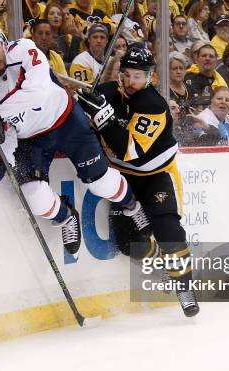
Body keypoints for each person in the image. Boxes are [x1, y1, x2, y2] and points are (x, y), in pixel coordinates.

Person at [0, 21, 149, 259]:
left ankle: (132, 205)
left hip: (66, 122)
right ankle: (66, 217)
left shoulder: (24, 49)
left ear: (3, 41)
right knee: (34, 197)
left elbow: (37, 92)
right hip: (31, 140)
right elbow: (4, 131)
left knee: (101, 183)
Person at [77, 46, 200, 317]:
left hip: (155, 177)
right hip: (122, 179)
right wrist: (82, 106)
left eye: (138, 76)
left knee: (168, 229)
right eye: (126, 75)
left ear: (150, 77)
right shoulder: (108, 92)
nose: (131, 82)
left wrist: (102, 118)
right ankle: (157, 259)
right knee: (127, 243)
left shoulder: (153, 105)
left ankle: (184, 286)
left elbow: (129, 151)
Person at [184, 44, 228, 112]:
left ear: (216, 61)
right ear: (197, 60)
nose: (207, 58)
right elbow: (193, 103)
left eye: (211, 56)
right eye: (204, 56)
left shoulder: (220, 82)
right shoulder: (188, 78)